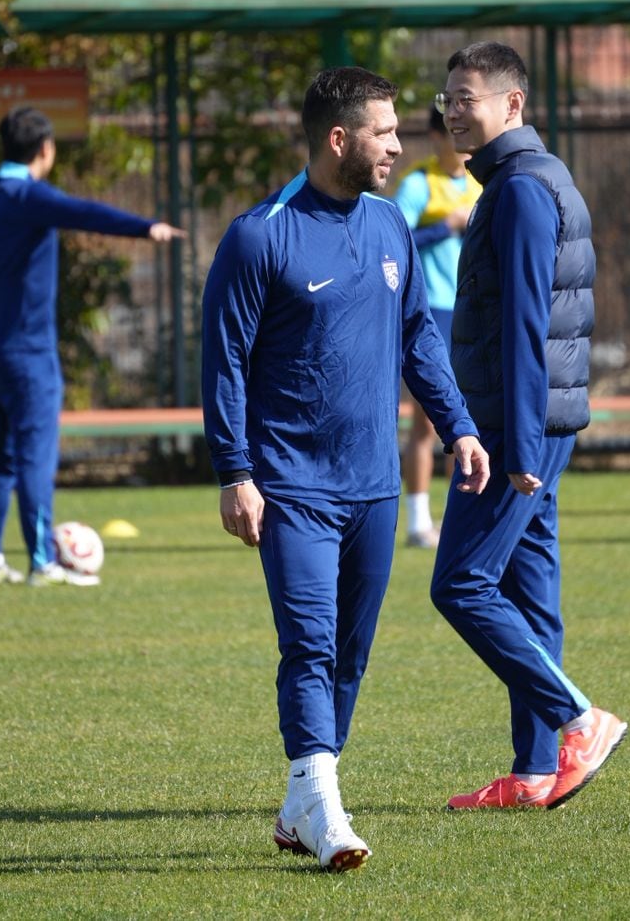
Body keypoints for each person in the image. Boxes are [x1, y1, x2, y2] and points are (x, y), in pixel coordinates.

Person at [201, 67, 490, 871]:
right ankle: (327, 810)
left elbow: (418, 341)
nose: (400, 144)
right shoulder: (260, 235)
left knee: (351, 656)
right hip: (290, 484)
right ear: (339, 140)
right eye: (385, 132)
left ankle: (301, 803)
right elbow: (222, 363)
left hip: (374, 488)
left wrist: (459, 427)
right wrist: (235, 470)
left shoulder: (391, 224)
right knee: (311, 647)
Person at [429, 41, 626, 811]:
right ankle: (537, 769)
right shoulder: (541, 177)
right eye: (447, 96)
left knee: (462, 584)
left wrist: (510, 439)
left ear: (512, 105)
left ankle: (580, 719)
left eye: (467, 96)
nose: (452, 109)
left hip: (518, 426)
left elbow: (523, 324)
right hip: (546, 420)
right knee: (529, 589)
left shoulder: (515, 189)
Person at [0, 106, 184, 586]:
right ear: (45, 149)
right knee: (35, 457)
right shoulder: (26, 196)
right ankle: (43, 563)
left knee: (2, 455)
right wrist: (144, 227)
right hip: (28, 355)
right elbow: (85, 213)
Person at [394, 106, 482, 549]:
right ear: (435, 136)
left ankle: (458, 519)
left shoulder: (480, 181)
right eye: (450, 132)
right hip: (430, 313)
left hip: (471, 311)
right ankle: (416, 520)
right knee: (426, 423)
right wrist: (445, 227)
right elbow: (393, 240)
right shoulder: (417, 184)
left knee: (466, 420)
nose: (460, 141)